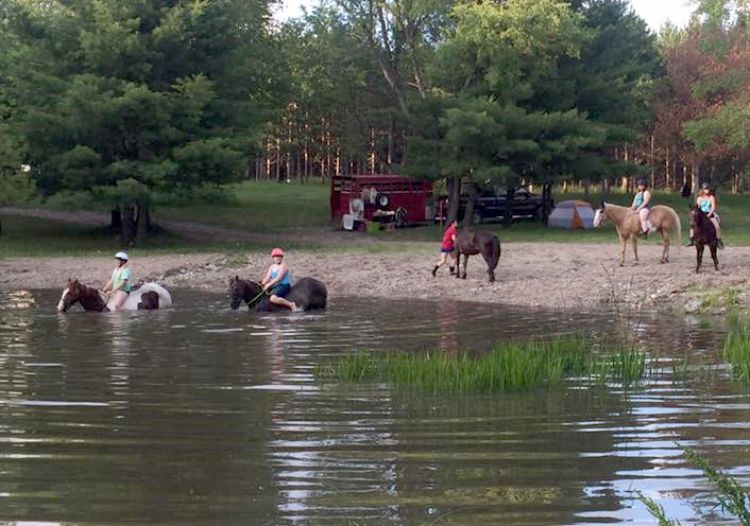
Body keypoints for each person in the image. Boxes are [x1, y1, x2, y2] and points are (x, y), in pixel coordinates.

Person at [688, 182, 724, 248]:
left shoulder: (711, 197)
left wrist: (710, 214)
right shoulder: (700, 198)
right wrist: (694, 212)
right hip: (701, 214)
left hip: (709, 213)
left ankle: (718, 240)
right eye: (705, 189)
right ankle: (691, 239)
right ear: (702, 190)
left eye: (707, 189)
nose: (707, 190)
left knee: (717, 226)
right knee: (693, 225)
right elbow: (697, 207)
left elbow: (713, 207)